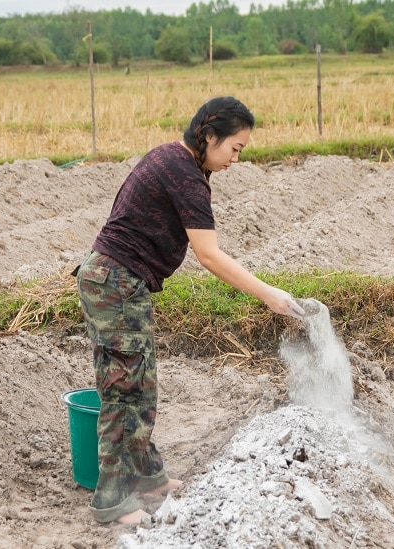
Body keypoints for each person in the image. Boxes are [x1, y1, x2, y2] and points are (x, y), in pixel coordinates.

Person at [75, 96, 305, 526]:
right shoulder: (185, 176)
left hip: (116, 280)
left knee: (138, 381)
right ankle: (111, 499)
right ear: (210, 135)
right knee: (126, 390)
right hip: (116, 282)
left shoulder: (173, 159)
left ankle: (148, 476)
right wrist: (268, 294)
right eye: (234, 148)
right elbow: (210, 256)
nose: (236, 159)